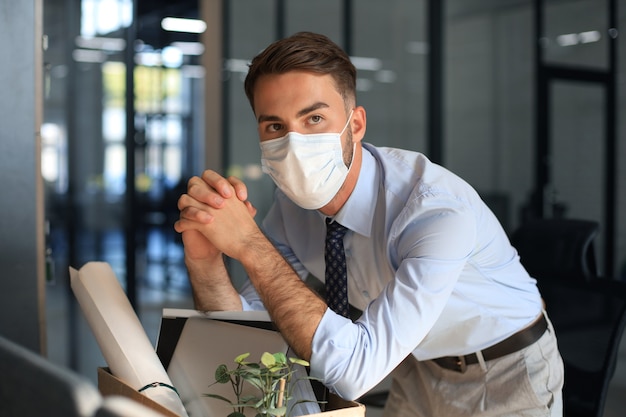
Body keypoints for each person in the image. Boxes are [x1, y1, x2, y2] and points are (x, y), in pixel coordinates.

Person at [175, 31, 564, 417]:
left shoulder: (434, 211)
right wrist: (205, 260)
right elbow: (248, 328)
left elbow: (354, 373)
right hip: (418, 365)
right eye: (275, 126)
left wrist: (250, 245)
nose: (294, 145)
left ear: (356, 125)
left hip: (506, 370)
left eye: (314, 118)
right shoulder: (291, 207)